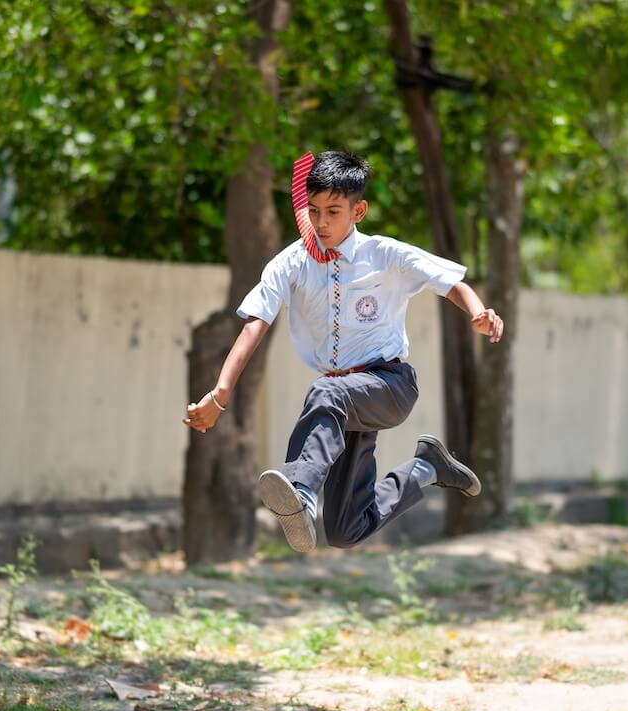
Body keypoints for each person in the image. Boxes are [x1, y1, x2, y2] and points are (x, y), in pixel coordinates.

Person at [183, 150, 503, 552]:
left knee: (325, 392)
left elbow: (450, 282)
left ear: (359, 210)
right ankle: (427, 468)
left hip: (389, 385)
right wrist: (220, 394)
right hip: (345, 405)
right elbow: (255, 325)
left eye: (334, 211)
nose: (321, 223)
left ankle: (300, 493)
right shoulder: (292, 263)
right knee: (344, 529)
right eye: (314, 211)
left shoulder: (384, 254)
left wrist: (478, 312)